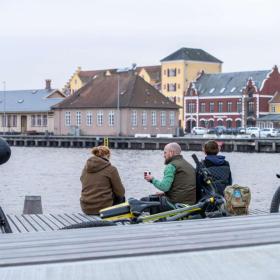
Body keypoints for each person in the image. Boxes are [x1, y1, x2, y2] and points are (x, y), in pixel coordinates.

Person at [144, 142, 196, 213]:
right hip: (190, 203)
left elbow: (164, 187)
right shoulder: (188, 165)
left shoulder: (171, 166)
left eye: (165, 153)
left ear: (171, 153)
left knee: (145, 200)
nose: (164, 155)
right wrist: (164, 193)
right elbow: (182, 186)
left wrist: (152, 179)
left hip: (176, 203)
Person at [80, 145, 125, 215]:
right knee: (121, 197)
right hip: (104, 208)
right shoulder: (111, 169)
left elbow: (82, 180)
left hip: (85, 208)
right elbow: (120, 192)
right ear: (107, 155)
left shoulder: (85, 169)